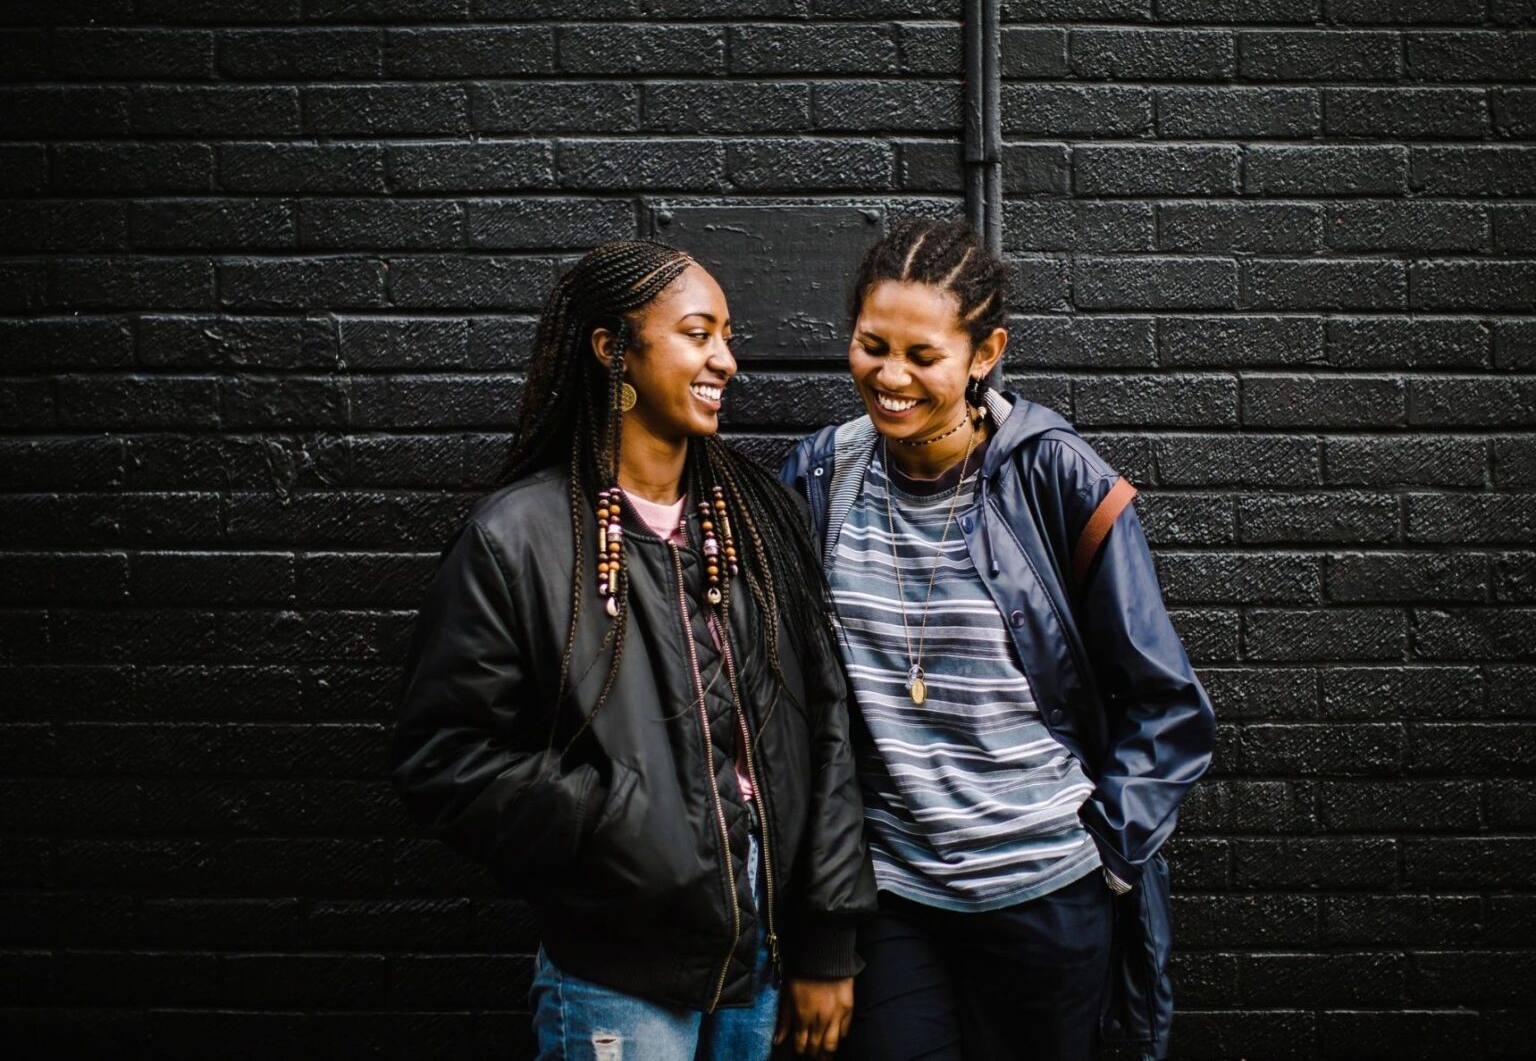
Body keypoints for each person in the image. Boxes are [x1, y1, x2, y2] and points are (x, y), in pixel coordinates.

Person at [391, 239, 877, 1061]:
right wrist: (617, 818)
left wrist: (827, 938)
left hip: (764, 962)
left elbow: (825, 730)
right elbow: (445, 759)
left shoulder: (761, 522)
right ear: (613, 349)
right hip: (617, 970)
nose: (724, 359)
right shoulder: (520, 540)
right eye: (697, 333)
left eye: (728, 336)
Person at [779, 218, 1216, 1061]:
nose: (890, 376)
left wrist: (1107, 857)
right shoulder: (820, 478)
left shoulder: (1056, 478)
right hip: (895, 894)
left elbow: (1166, 704)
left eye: (922, 355)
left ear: (984, 354)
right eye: (873, 346)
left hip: (1047, 892)